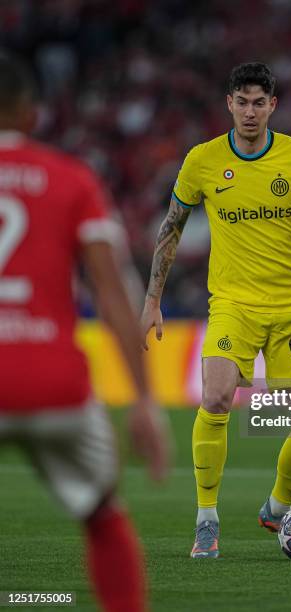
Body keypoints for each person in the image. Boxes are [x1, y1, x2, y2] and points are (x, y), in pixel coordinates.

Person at [141, 62, 291, 559]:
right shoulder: (202, 160)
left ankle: (277, 509)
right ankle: (206, 520)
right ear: (228, 103)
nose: (250, 111)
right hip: (233, 303)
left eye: (259, 102)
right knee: (214, 396)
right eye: (242, 101)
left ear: (272, 106)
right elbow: (171, 230)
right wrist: (152, 299)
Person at [0, 53, 171, 610]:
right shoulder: (71, 179)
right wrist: (145, 399)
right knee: (103, 515)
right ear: (29, 112)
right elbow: (113, 293)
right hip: (55, 383)